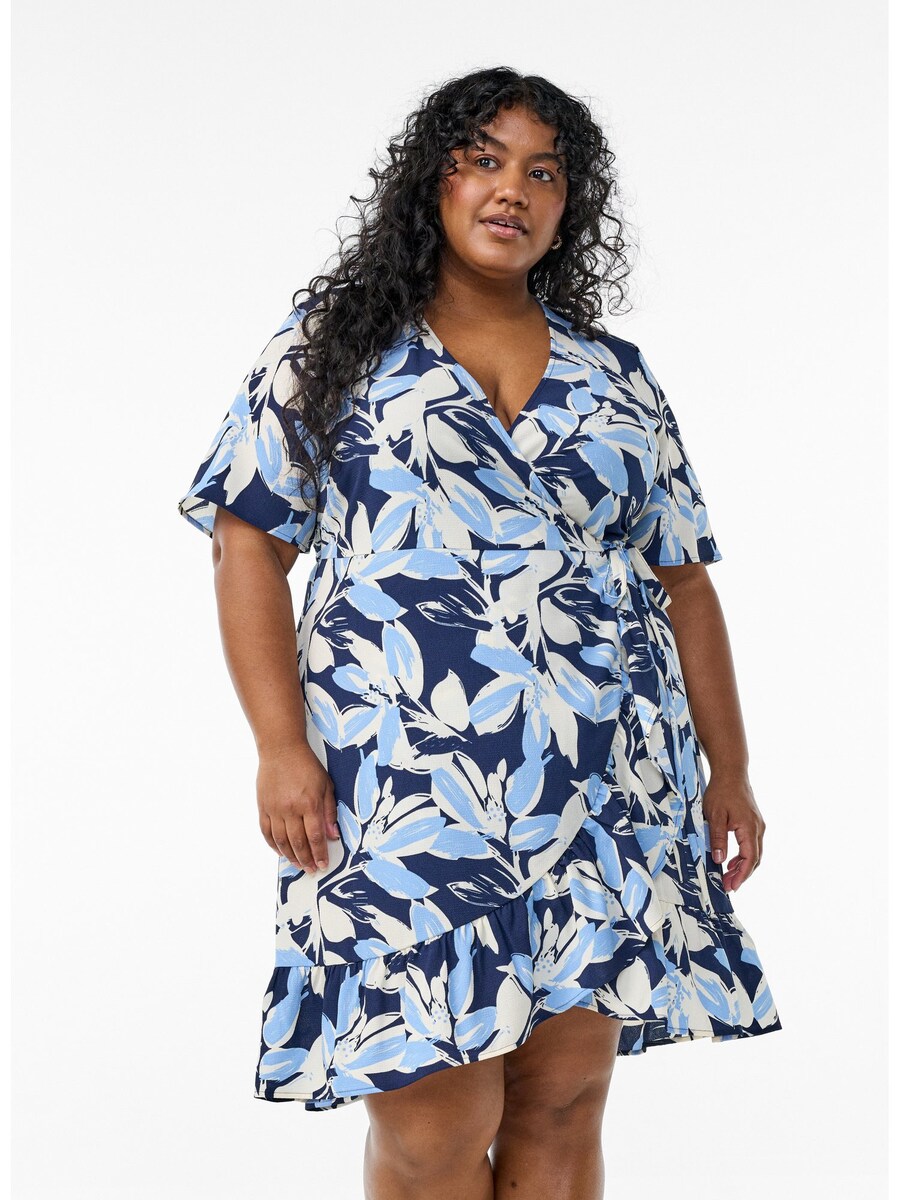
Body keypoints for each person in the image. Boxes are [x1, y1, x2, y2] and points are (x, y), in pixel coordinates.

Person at [176, 67, 783, 1200]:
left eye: (543, 172)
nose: (514, 190)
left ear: (568, 207)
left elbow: (686, 584)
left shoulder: (616, 377)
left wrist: (730, 770)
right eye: (485, 159)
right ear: (434, 180)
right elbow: (246, 543)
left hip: (606, 788)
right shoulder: (333, 348)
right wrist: (279, 745)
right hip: (406, 787)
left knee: (563, 1105)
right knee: (432, 1128)